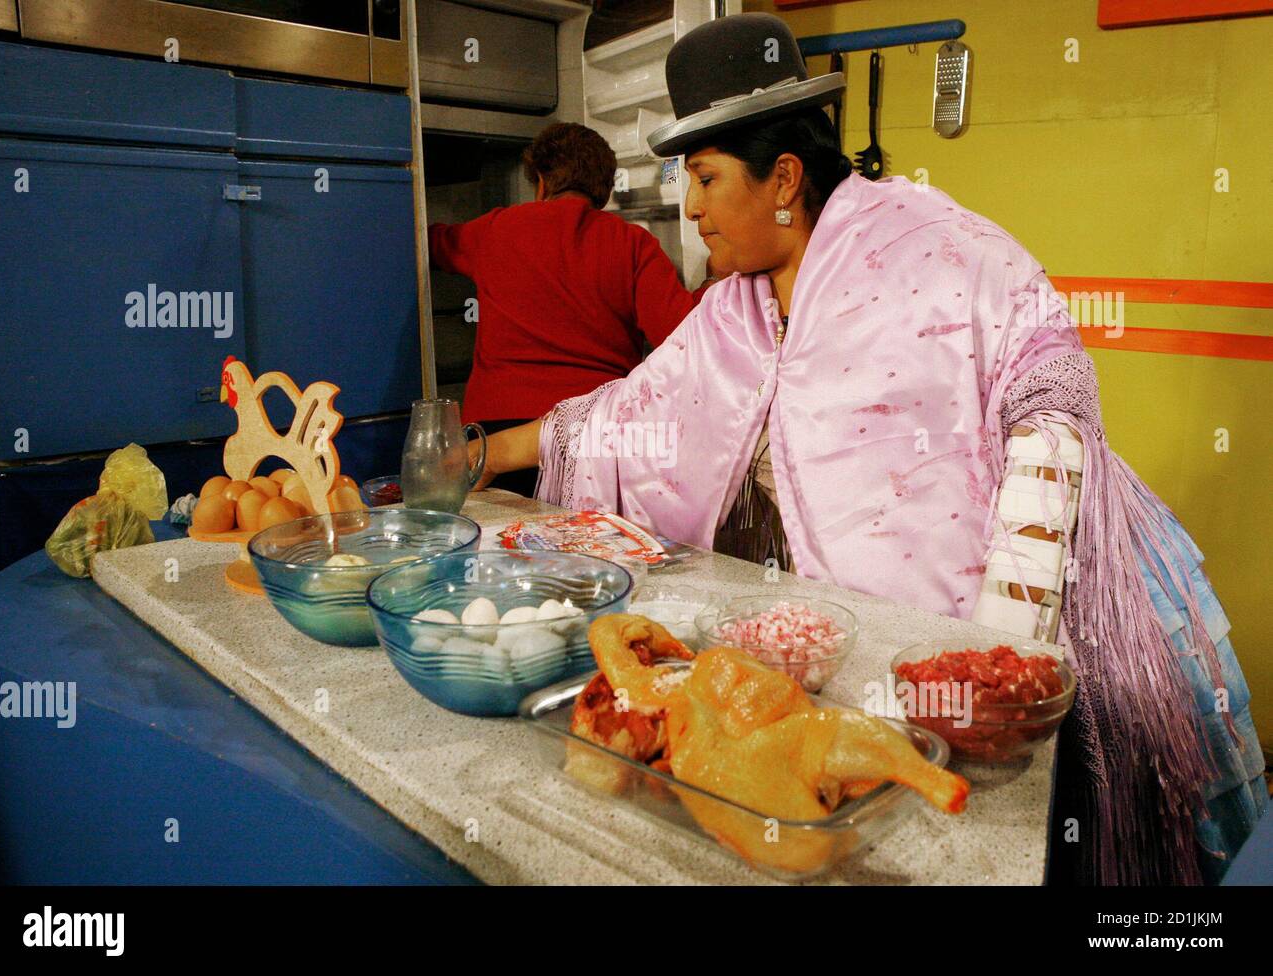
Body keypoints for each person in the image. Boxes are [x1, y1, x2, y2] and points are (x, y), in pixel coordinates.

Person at [471, 14, 1266, 884]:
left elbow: (1050, 401)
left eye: (704, 178)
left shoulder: (930, 245)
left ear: (782, 178)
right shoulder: (738, 307)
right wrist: (482, 458)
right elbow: (628, 413)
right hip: (897, 659)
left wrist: (996, 655)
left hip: (1052, 607)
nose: (689, 206)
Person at [428, 121, 701, 496]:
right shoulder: (633, 243)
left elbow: (430, 243)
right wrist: (715, 287)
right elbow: (679, 336)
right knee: (584, 550)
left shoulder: (496, 229)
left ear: (540, 181)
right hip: (587, 436)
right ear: (604, 191)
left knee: (500, 547)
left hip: (493, 438)